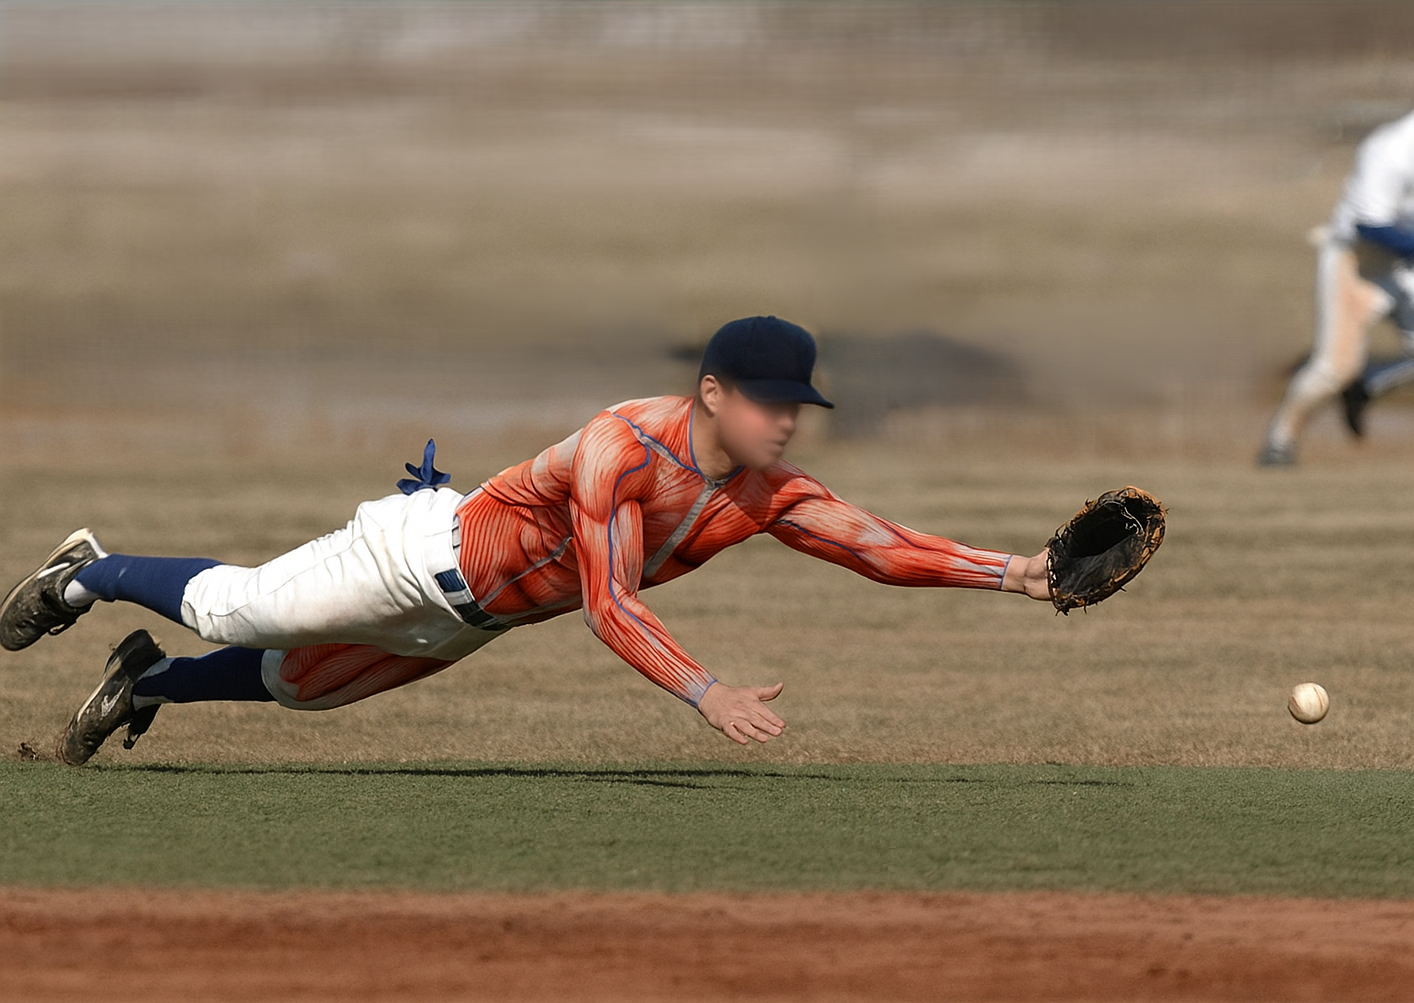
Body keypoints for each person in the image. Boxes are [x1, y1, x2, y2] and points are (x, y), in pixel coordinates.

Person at [3, 316, 1056, 765]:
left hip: (477, 619)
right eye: (770, 401)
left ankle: (143, 685)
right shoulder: (618, 447)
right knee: (242, 609)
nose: (786, 419)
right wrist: (706, 691)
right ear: (713, 391)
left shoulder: (771, 493)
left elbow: (877, 546)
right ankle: (86, 571)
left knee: (298, 687)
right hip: (420, 555)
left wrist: (1021, 574)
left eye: (798, 404)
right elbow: (607, 602)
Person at [1259, 57, 1414, 466]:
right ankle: (1280, 443)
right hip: (1358, 260)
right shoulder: (1393, 149)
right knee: (1334, 368)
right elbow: (1370, 226)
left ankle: (1366, 387)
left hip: (1413, 264)